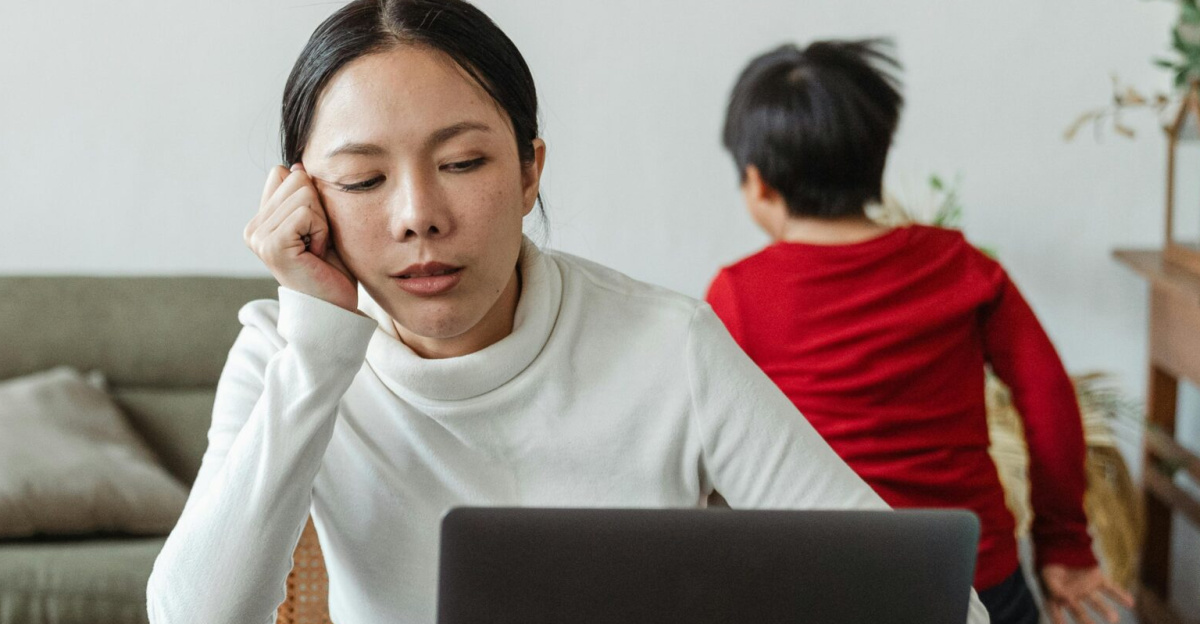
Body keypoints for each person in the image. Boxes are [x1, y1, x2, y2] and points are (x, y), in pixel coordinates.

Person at [144, 3, 989, 623]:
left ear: (529, 172)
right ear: (303, 198)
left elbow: (933, 605)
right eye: (363, 179)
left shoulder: (669, 345)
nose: (417, 216)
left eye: (462, 162)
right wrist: (318, 344)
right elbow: (195, 617)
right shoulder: (286, 353)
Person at [705, 39, 1135, 624]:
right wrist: (1064, 544)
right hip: (974, 580)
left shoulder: (737, 294)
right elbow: (1048, 396)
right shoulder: (960, 265)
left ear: (758, 184)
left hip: (822, 585)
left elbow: (712, 445)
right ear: (877, 160)